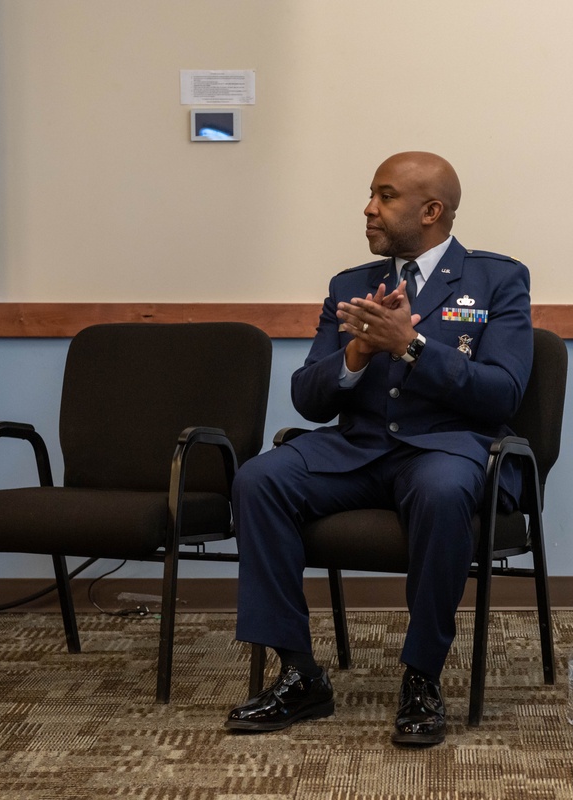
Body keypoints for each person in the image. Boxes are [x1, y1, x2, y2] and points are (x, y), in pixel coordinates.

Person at [225, 151, 533, 747]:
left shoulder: (497, 279)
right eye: (371, 194)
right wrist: (355, 356)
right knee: (259, 479)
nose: (369, 208)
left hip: (448, 449)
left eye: (385, 196)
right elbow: (308, 399)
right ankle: (297, 673)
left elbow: (504, 393)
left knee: (443, 491)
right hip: (358, 450)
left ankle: (421, 676)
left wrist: (412, 346)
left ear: (432, 210)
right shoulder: (351, 285)